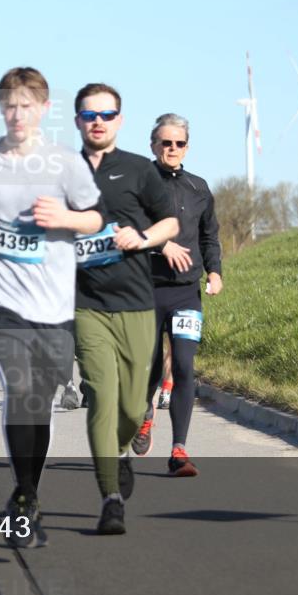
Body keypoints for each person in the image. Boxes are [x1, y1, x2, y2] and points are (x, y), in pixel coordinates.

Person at [0, 66, 105, 548]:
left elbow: (98, 217)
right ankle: (22, 498)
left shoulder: (64, 163)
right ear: (0, 108)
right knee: (19, 390)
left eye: (26, 105)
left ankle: (28, 493)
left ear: (44, 109)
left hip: (53, 304)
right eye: (9, 106)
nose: (17, 114)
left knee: (38, 403)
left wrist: (64, 217)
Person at [71, 84, 178, 534]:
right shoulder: (61, 171)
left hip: (136, 303)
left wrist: (144, 238)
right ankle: (110, 496)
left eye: (107, 113)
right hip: (85, 304)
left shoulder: (139, 170)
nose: (98, 120)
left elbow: (169, 221)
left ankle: (116, 457)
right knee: (101, 397)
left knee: (134, 408)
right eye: (89, 113)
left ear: (120, 119)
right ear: (77, 119)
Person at [131, 113, 223, 478]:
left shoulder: (199, 188)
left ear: (187, 147)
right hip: (146, 289)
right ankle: (144, 414)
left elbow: (208, 236)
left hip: (186, 292)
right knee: (151, 367)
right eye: (165, 143)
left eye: (179, 143)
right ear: (153, 146)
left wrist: (215, 272)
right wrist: (161, 244)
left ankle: (179, 450)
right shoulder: (139, 183)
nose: (172, 149)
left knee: (184, 366)